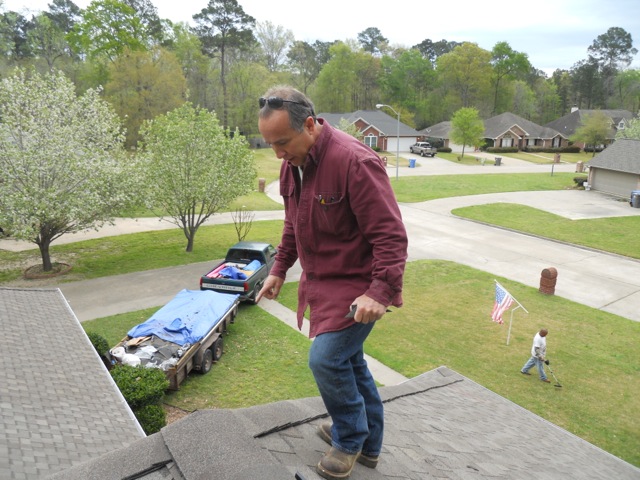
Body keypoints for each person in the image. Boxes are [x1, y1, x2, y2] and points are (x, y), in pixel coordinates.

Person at [256, 86, 408, 480]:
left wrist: (379, 292)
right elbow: (293, 223)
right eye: (271, 144)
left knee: (326, 359)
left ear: (309, 125)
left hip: (359, 286)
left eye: (283, 142)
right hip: (321, 282)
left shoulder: (355, 162)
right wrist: (278, 268)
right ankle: (370, 445)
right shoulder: (292, 164)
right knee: (350, 362)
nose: (278, 154)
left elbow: (390, 236)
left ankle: (349, 438)